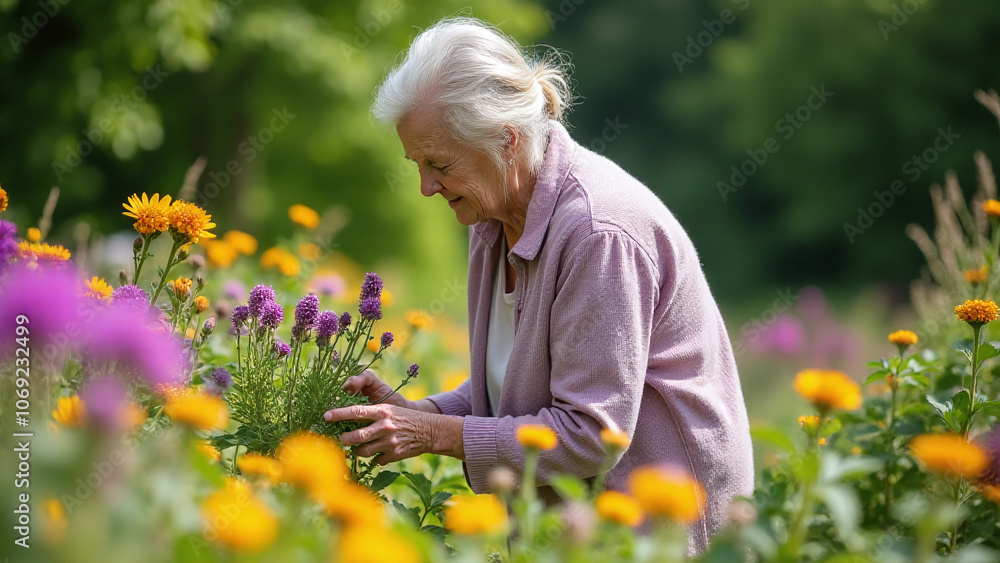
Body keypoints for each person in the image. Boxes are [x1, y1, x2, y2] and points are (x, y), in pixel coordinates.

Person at [324, 16, 754, 553]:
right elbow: (519, 387)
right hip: (571, 529)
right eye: (416, 164)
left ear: (505, 139)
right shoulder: (492, 218)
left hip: (657, 533)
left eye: (439, 164)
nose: (425, 187)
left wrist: (434, 436)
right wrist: (418, 415)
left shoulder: (599, 233)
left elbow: (592, 433)